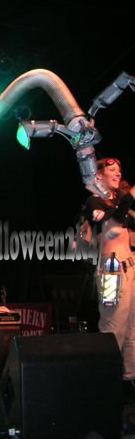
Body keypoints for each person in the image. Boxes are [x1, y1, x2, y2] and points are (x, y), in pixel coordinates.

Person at [84, 158, 135, 382]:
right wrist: (130, 197)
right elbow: (111, 225)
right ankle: (106, 380)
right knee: (113, 324)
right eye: (112, 169)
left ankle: (130, 376)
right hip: (111, 269)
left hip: (130, 267)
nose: (118, 173)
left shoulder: (120, 202)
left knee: (132, 327)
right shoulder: (94, 200)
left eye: (119, 170)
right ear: (99, 176)